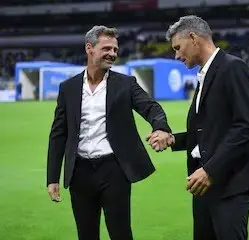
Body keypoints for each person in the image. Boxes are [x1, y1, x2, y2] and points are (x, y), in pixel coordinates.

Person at [147, 16, 249, 240]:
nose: (176, 55)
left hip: (230, 182)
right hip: (203, 182)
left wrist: (210, 170)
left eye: (178, 47)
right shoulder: (206, 74)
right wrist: (174, 139)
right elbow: (209, 131)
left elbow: (245, 127)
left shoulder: (233, 68)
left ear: (193, 38)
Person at [47, 25, 172, 240]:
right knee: (86, 235)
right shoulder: (68, 88)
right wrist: (52, 178)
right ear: (89, 48)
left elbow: (151, 107)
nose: (112, 54)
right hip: (79, 172)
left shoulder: (125, 84)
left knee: (121, 233)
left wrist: (160, 127)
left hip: (114, 170)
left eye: (115, 49)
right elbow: (58, 134)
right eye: (106, 48)